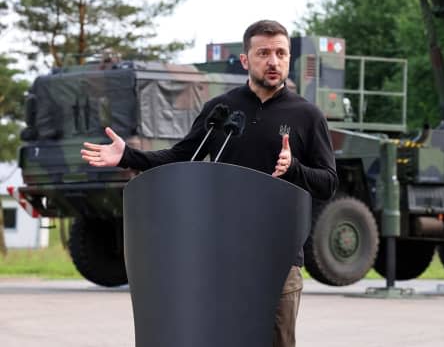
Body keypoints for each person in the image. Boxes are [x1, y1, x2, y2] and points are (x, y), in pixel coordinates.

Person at [81, 19, 337, 347]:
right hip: (221, 255)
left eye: (280, 53)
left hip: (279, 258)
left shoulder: (307, 115)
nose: (273, 61)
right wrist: (127, 157)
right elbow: (182, 157)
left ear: (289, 59)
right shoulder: (222, 109)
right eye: (263, 53)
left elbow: (328, 183)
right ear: (246, 60)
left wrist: (295, 168)